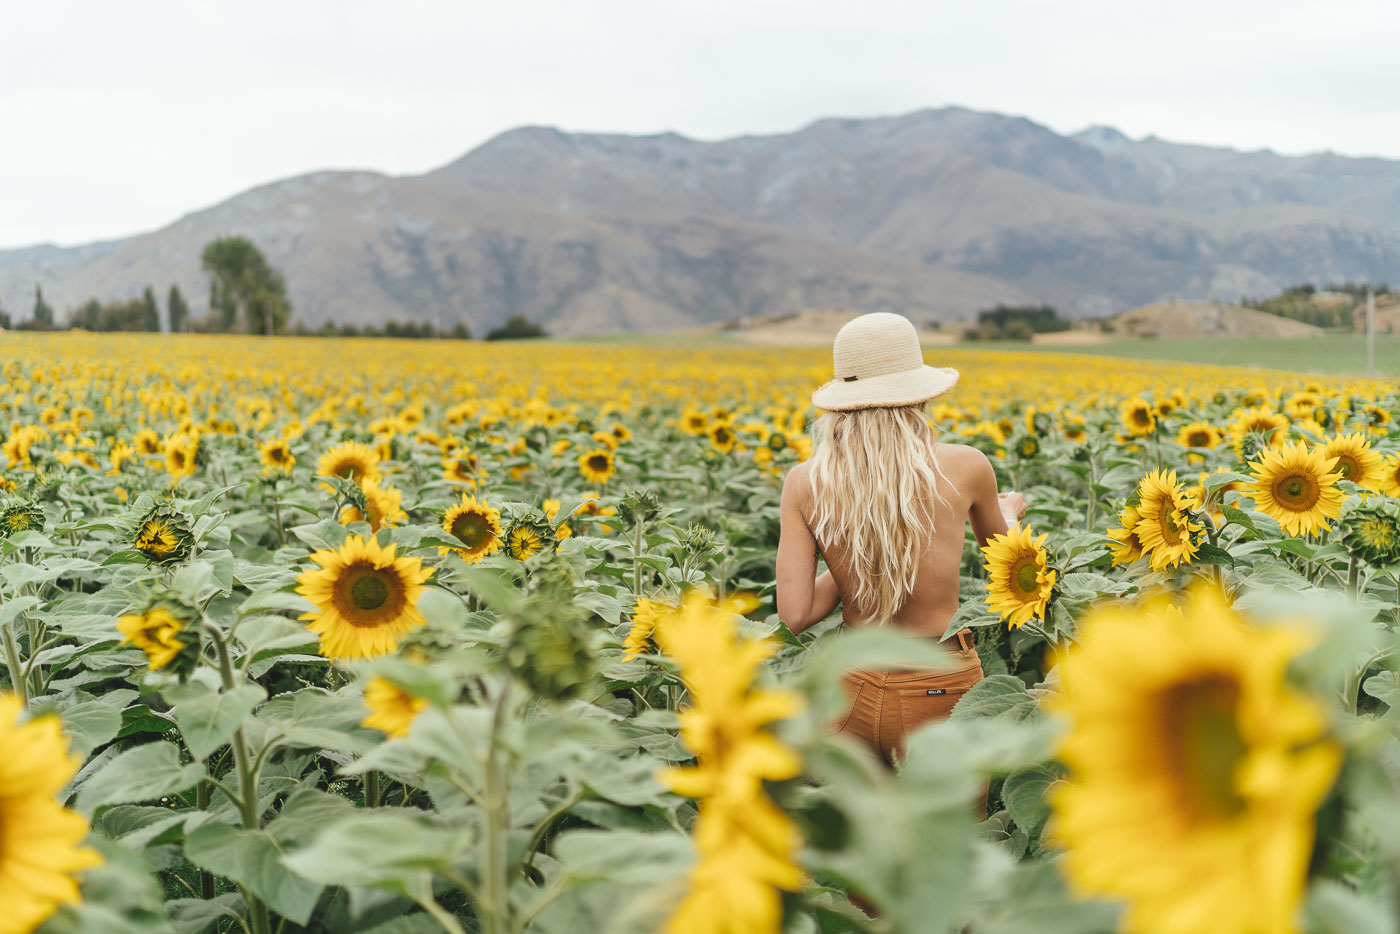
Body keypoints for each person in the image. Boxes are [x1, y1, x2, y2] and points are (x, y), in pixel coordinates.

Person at [776, 311, 1026, 771]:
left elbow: (794, 615)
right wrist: (1008, 514)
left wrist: (857, 551)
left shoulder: (804, 482)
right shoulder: (966, 466)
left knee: (863, 837)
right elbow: (1010, 567)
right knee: (946, 839)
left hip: (848, 683)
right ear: (918, 393)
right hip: (938, 684)